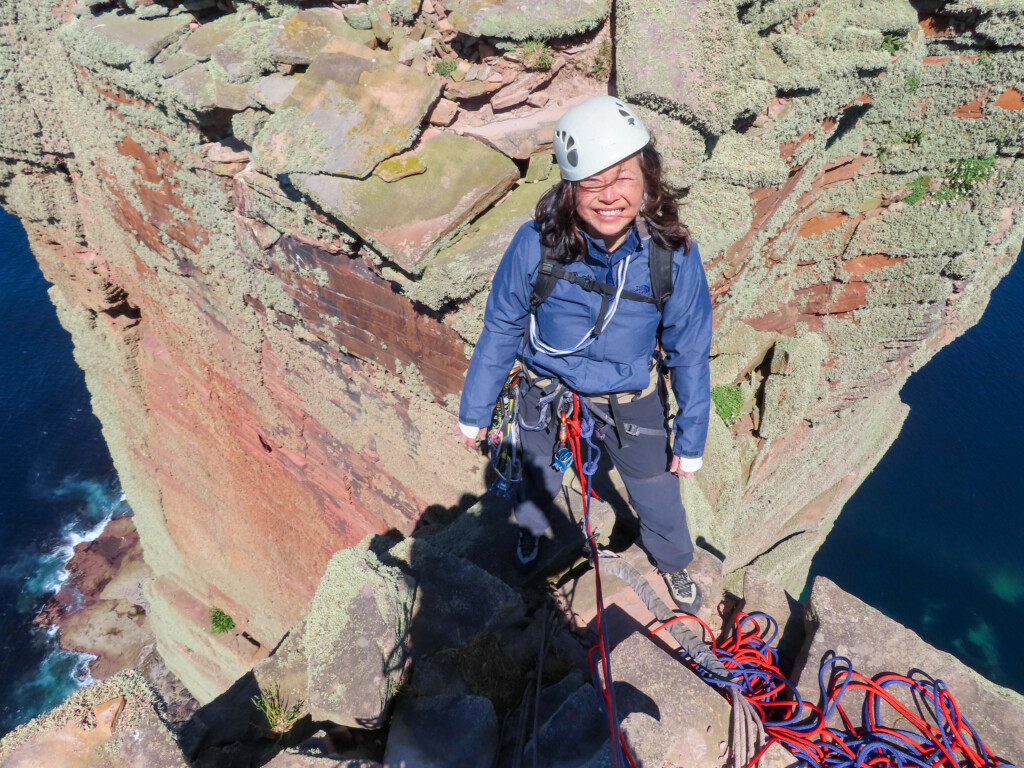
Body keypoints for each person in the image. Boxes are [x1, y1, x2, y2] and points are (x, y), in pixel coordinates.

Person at [455, 96, 712, 613]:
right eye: (593, 182)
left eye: (623, 178)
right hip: (545, 387)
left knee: (654, 489)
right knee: (537, 474)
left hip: (628, 395)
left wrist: (691, 435)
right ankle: (532, 531)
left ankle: (674, 563)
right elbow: (502, 325)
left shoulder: (671, 255)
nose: (609, 196)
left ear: (648, 182)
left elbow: (689, 348)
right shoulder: (536, 245)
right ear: (571, 190)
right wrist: (474, 410)